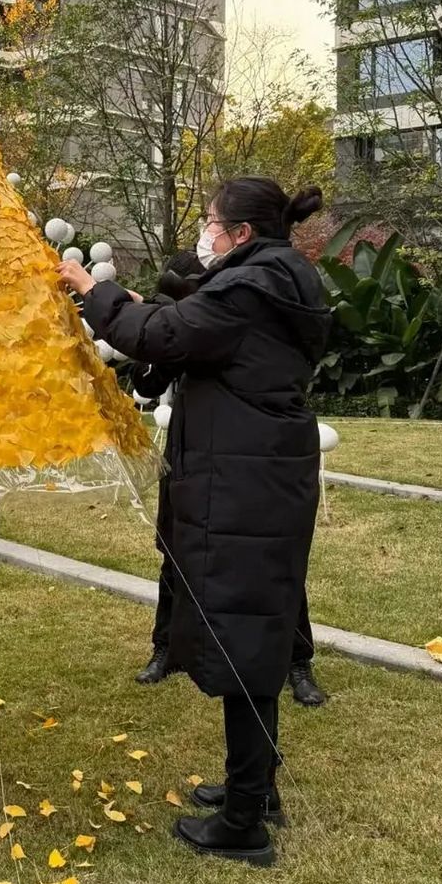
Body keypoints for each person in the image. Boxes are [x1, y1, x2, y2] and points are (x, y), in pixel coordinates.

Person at [60, 178, 331, 867]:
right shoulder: (273, 281)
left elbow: (153, 333)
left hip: (246, 485)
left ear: (240, 232)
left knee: (242, 636)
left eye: (211, 221)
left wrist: (88, 286)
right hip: (260, 476)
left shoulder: (249, 289)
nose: (203, 232)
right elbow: (184, 338)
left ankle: (245, 822)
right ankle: (256, 787)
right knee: (254, 632)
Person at [132, 253, 329, 709]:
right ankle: (167, 647)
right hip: (191, 450)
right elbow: (148, 378)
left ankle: (297, 661)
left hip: (250, 460)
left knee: (270, 565)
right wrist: (154, 329)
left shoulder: (256, 306)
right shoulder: (189, 311)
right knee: (177, 552)